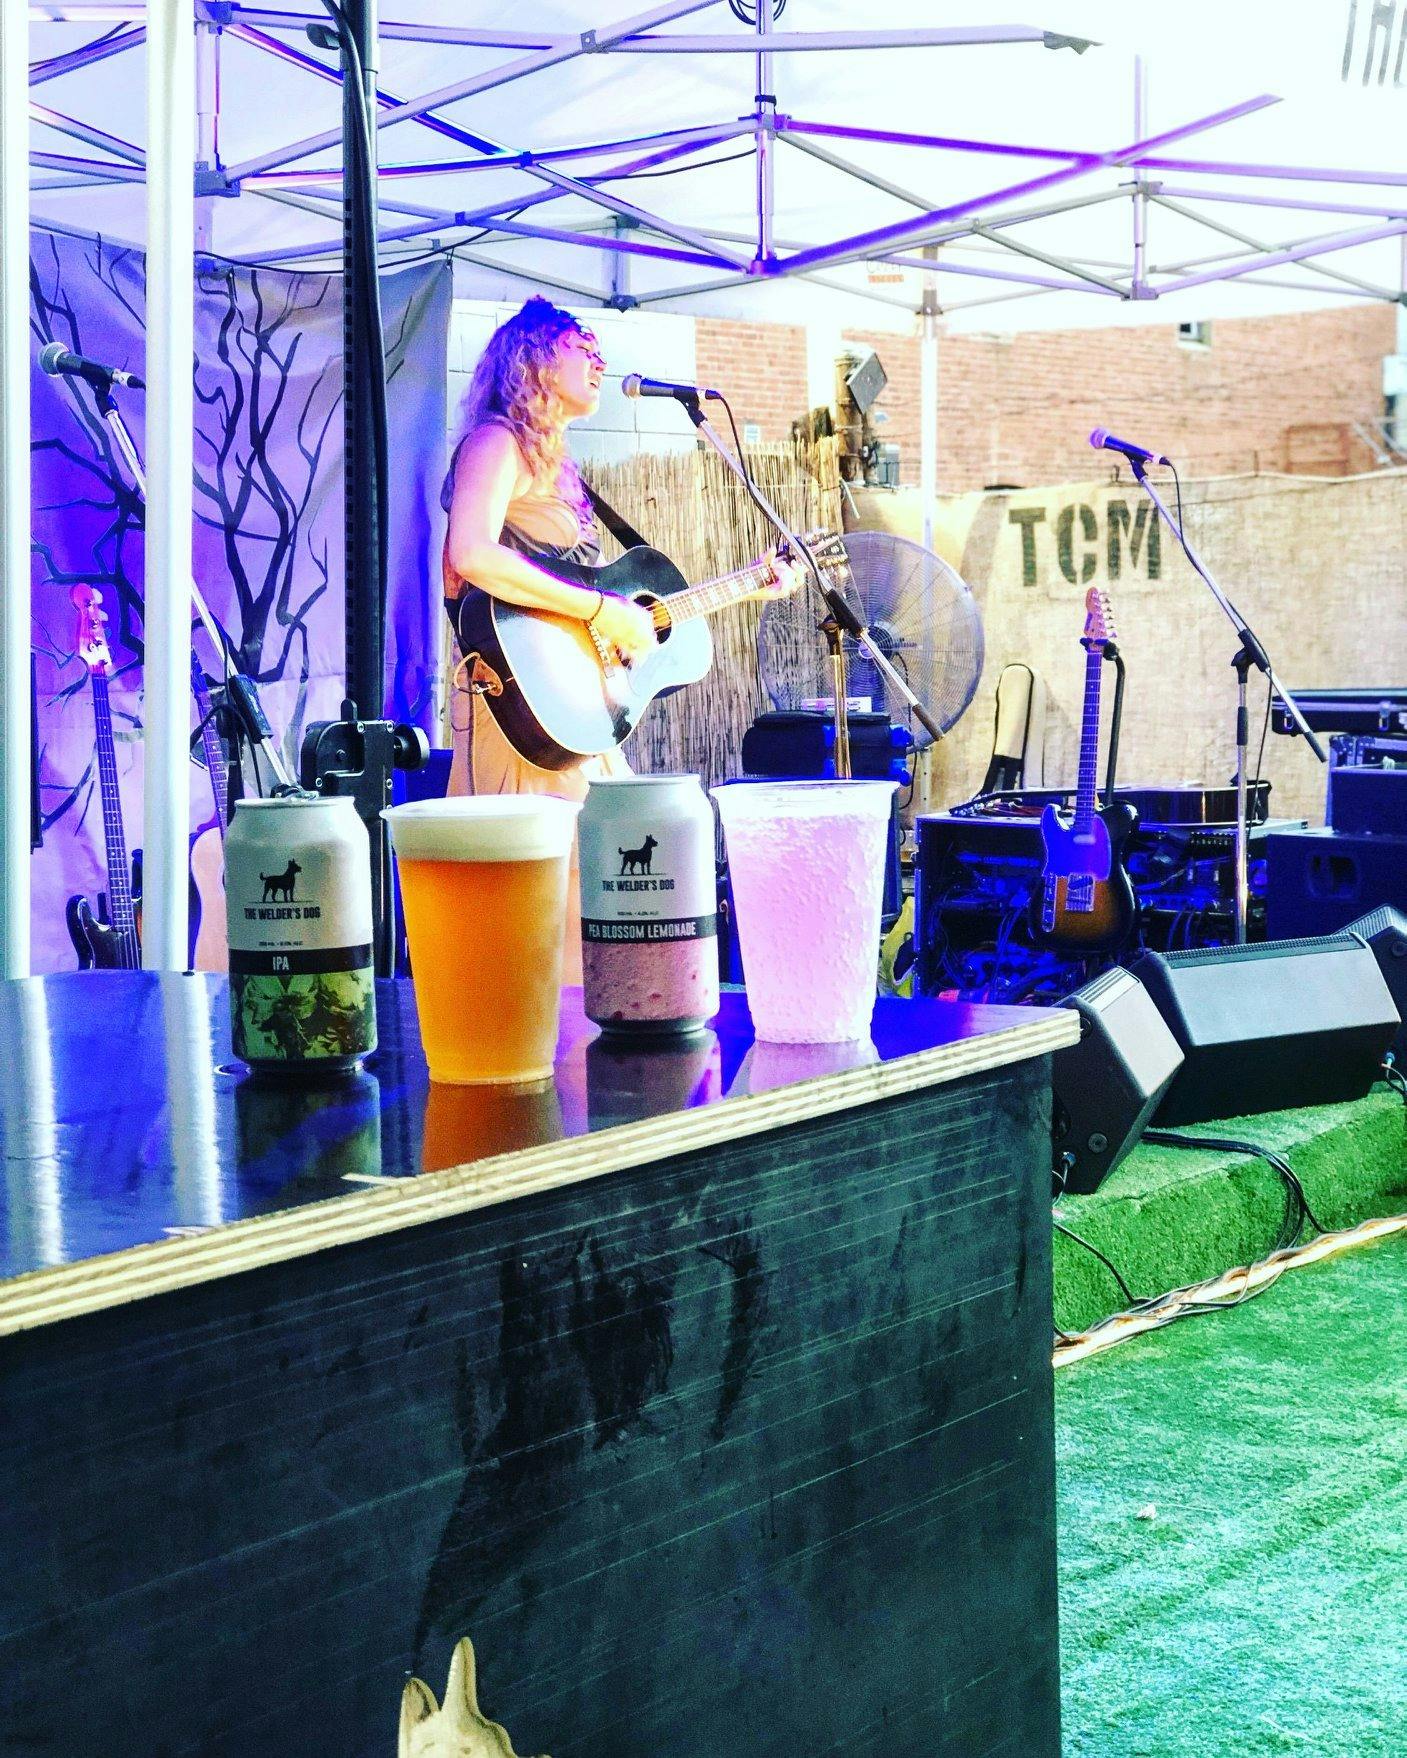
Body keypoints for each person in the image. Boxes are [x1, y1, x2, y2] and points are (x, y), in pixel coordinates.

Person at [441, 295, 799, 979]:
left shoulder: (558, 464)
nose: (600, 361)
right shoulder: (496, 441)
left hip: (573, 712)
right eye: (582, 347)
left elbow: (602, 608)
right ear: (533, 360)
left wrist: (751, 584)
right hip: (514, 710)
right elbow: (473, 555)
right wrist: (603, 611)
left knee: (599, 886)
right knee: (542, 901)